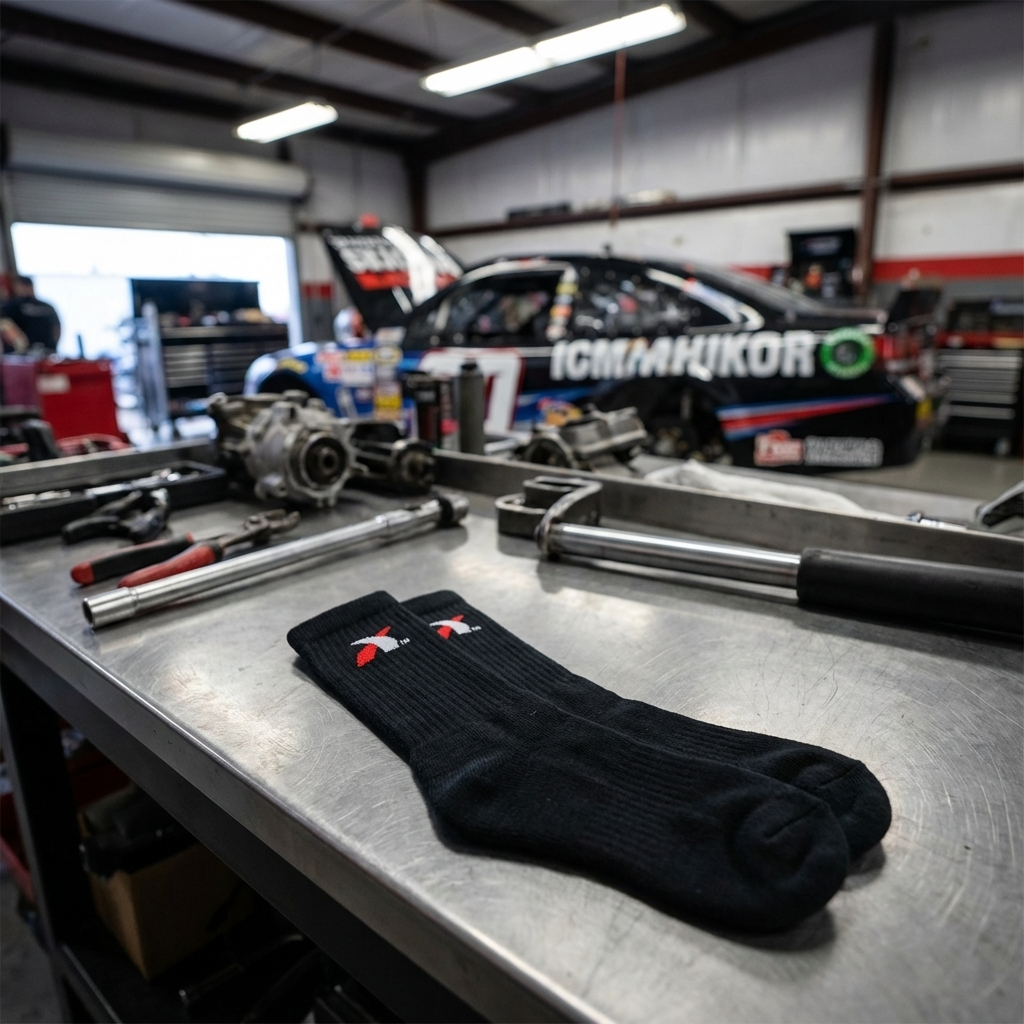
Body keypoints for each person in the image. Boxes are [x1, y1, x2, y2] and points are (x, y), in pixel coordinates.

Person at [1, 275, 61, 354]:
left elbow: (56, 328)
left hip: (28, 354)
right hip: (41, 352)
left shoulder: (11, 307)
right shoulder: (47, 306)